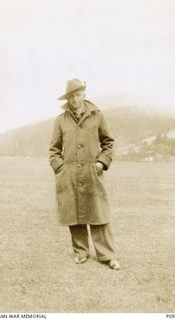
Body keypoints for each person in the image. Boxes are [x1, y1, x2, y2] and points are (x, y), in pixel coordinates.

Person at [49, 79, 120, 270]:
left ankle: (108, 255)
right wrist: (60, 168)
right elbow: (54, 149)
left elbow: (109, 143)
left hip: (92, 172)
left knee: (99, 213)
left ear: (84, 94)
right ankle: (80, 252)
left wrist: (101, 163)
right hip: (69, 174)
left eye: (78, 95)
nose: (74, 99)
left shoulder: (97, 116)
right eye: (71, 96)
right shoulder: (60, 120)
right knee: (74, 214)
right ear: (67, 97)